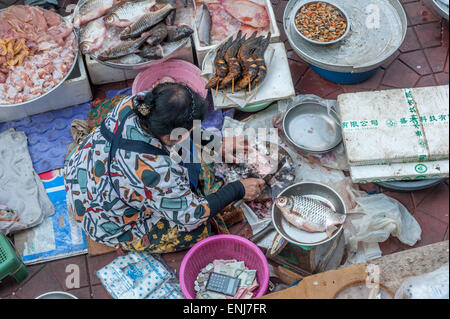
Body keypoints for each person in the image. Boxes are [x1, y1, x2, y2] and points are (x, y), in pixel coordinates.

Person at [64, 83, 265, 253]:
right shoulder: (155, 172)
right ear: (170, 137)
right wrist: (238, 188)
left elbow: (184, 130)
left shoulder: (138, 104)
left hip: (82, 176)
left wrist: (217, 143)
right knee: (197, 230)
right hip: (107, 222)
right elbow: (191, 215)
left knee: (189, 153)